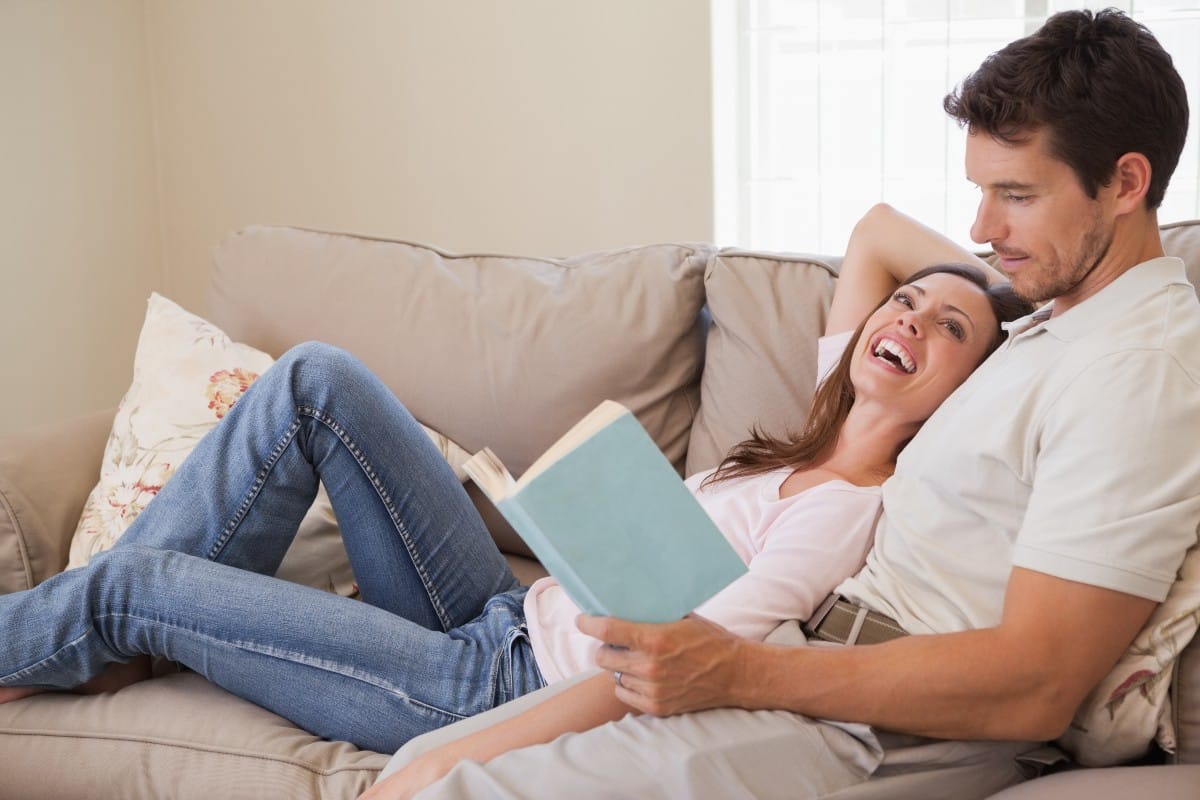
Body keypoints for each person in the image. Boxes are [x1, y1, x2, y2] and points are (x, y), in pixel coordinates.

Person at [364, 8, 1200, 799]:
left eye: (1015, 195)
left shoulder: (1139, 370)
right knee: (419, 764)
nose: (982, 229)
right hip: (803, 661)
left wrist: (742, 670)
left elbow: (1038, 684)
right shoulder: (1057, 322)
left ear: (1126, 183)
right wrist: (985, 287)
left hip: (880, 723)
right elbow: (926, 267)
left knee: (456, 790)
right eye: (980, 192)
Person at [0, 265, 1025, 753]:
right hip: (498, 605)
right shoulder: (812, 427)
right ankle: (109, 638)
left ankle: (93, 625)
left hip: (492, 685)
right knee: (318, 380)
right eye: (905, 305)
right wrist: (973, 287)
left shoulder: (847, 508)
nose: (910, 321)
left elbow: (693, 664)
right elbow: (876, 236)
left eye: (951, 331)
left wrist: (462, 747)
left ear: (968, 388)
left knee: (139, 582)